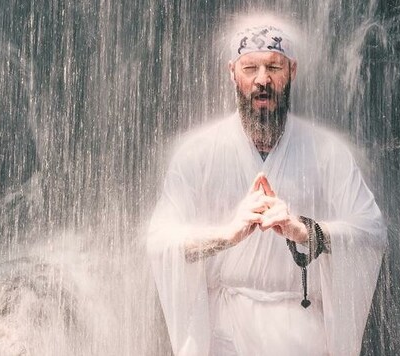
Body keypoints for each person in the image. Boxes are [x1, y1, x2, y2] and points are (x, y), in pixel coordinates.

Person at [147, 15, 387, 356]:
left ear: (292, 70)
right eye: (250, 68)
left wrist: (305, 231)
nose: (263, 79)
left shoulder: (327, 153)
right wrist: (227, 236)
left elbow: (372, 231)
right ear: (233, 72)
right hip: (223, 335)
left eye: (274, 67)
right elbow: (159, 240)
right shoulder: (197, 154)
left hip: (301, 334)